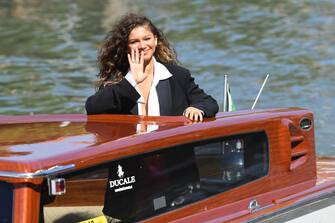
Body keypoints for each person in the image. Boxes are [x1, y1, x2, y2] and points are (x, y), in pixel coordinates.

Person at [85, 13, 218, 121]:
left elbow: (208, 102)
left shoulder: (177, 75)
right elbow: (92, 107)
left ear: (155, 40)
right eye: (134, 41)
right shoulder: (117, 79)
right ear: (126, 47)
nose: (142, 45)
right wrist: (131, 81)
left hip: (170, 151)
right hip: (134, 151)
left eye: (147, 39)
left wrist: (197, 107)